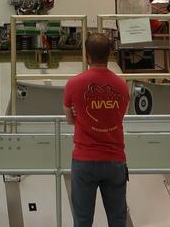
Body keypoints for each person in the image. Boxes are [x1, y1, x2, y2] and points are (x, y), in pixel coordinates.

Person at [63, 31, 130, 227]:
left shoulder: (74, 84)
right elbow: (120, 115)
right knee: (118, 220)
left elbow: (70, 119)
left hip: (84, 160)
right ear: (110, 54)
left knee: (82, 220)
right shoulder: (122, 84)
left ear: (87, 55)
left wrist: (83, 121)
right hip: (115, 160)